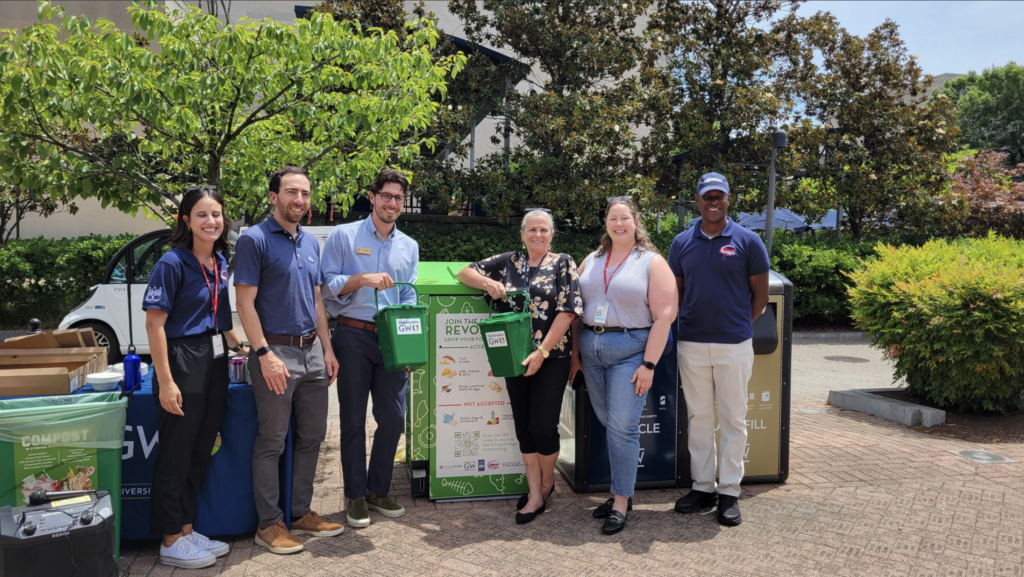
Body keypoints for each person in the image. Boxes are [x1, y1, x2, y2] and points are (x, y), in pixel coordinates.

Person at [234, 166, 344, 554]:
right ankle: (269, 524)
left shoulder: (311, 242)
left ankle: (300, 513)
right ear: (273, 197)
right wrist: (263, 354)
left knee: (313, 435)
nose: (299, 200)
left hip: (312, 351)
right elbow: (244, 303)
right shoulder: (254, 240)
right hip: (275, 353)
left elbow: (317, 301)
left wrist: (328, 350)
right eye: (291, 192)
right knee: (273, 441)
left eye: (306, 193)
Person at [457, 209, 583, 525]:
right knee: (523, 427)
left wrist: (541, 351)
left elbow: (568, 311)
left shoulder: (563, 262)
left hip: (551, 356)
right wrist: (487, 283)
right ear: (523, 234)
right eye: (532, 230)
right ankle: (535, 493)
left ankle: (546, 482)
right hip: (512, 356)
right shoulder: (510, 262)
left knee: (543, 426)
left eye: (543, 230)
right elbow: (463, 272)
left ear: (551, 235)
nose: (537, 235)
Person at [144, 186, 247, 569]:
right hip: (181, 359)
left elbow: (222, 322)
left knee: (201, 451)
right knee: (176, 455)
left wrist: (245, 348)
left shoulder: (220, 261)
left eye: (217, 215)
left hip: (214, 360)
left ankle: (187, 530)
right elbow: (155, 326)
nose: (211, 222)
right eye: (202, 215)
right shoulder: (172, 263)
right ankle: (170, 539)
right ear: (185, 220)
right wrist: (166, 381)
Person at [569, 198, 677, 535]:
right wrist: (575, 356)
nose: (618, 224)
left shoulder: (651, 262)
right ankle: (622, 492)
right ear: (606, 223)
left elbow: (665, 316)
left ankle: (620, 502)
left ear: (635, 221)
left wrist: (648, 364)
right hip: (591, 350)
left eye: (624, 218)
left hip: (631, 352)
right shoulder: (593, 258)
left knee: (623, 429)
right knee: (609, 422)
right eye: (613, 219)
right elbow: (575, 307)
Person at [669, 172, 769, 526]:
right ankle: (702, 487)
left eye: (719, 196)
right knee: (699, 418)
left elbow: (759, 296)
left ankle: (728, 491)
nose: (713, 202)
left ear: (728, 199)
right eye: (707, 196)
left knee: (733, 419)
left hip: (734, 345)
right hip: (691, 343)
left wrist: (739, 324)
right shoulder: (681, 242)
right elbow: (675, 295)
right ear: (697, 200)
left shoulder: (748, 241)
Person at [320, 168, 419, 528]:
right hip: (353, 335)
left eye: (398, 198)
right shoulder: (343, 236)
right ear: (373, 196)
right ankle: (356, 496)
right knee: (352, 420)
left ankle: (378, 490)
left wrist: (409, 346)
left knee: (393, 418)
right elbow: (327, 285)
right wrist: (361, 280)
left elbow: (408, 296)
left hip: (392, 340)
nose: (392, 203)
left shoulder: (409, 246)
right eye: (387, 196)